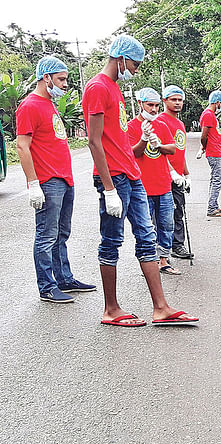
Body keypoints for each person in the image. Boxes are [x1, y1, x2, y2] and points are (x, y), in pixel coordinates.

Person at [82, 34, 198, 326]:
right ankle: (111, 309)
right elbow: (94, 142)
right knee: (112, 240)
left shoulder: (114, 89)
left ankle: (161, 307)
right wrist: (108, 189)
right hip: (114, 180)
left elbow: (118, 142)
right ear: (120, 57)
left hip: (131, 175)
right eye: (134, 63)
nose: (135, 69)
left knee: (147, 237)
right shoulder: (97, 87)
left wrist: (144, 143)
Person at [16, 55, 96, 303]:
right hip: (48, 181)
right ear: (46, 77)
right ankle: (47, 286)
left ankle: (64, 278)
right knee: (46, 235)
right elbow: (21, 146)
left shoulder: (49, 104)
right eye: (61, 79)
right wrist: (33, 184)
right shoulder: (30, 106)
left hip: (64, 179)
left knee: (61, 233)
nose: (65, 84)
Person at [128, 87, 181, 275]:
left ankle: (164, 260)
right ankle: (149, 263)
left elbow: (173, 149)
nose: (154, 109)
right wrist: (144, 139)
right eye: (150, 105)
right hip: (142, 187)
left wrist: (159, 144)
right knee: (146, 228)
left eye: (157, 105)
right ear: (140, 104)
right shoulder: (131, 126)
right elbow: (132, 153)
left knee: (167, 224)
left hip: (164, 184)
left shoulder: (162, 125)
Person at [158, 85, 193, 260]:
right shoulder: (160, 121)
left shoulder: (179, 123)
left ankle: (177, 244)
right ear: (165, 101)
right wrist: (172, 172)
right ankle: (164, 247)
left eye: (180, 100)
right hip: (163, 175)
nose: (177, 103)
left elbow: (181, 151)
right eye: (174, 99)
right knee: (164, 214)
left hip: (178, 176)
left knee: (179, 210)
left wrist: (186, 174)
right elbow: (158, 151)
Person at [200, 90, 221, 217]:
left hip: (216, 150)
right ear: (217, 102)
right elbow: (203, 136)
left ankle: (214, 206)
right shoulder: (208, 115)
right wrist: (204, 147)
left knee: (215, 179)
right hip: (214, 152)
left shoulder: (210, 115)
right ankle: (212, 208)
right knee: (217, 180)